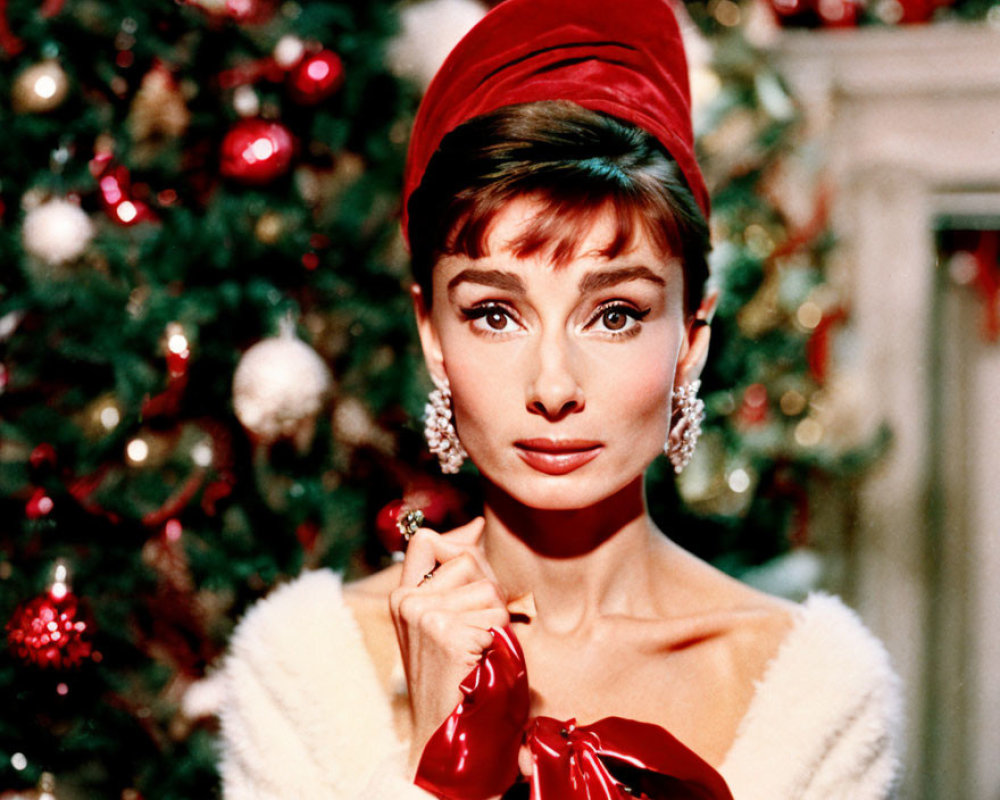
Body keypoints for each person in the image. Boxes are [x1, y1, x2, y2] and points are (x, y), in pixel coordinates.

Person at [216, 0, 901, 798]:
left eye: (615, 315)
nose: (552, 387)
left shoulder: (814, 693)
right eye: (495, 314)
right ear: (432, 332)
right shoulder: (308, 667)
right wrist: (444, 764)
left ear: (691, 341)